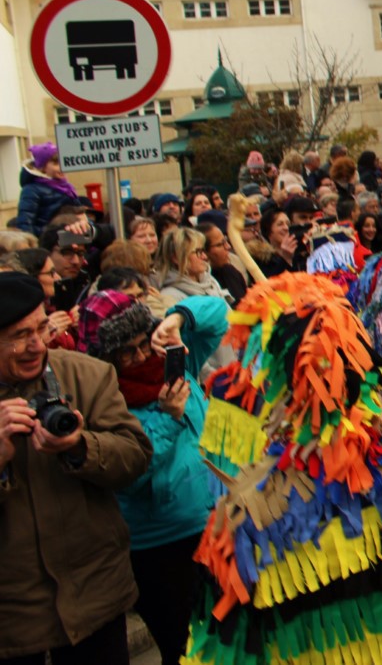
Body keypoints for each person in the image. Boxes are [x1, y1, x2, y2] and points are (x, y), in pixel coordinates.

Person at [0, 272, 152, 665]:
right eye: (19, 335)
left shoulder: (86, 374)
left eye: (42, 327)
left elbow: (135, 454)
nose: (37, 345)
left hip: (96, 596)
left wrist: (81, 447)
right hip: (13, 616)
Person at [76, 290, 224, 665]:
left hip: (216, 522)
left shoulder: (175, 362)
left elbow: (220, 313)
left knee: (232, 641)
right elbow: (127, 474)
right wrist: (167, 418)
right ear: (107, 357)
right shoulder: (102, 399)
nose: (141, 356)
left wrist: (176, 320)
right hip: (161, 545)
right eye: (127, 351)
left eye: (145, 343)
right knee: (184, 647)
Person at [16, 143, 79, 238]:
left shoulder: (67, 187)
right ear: (43, 167)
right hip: (48, 242)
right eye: (56, 163)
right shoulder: (31, 190)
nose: (62, 168)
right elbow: (25, 224)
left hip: (71, 237)